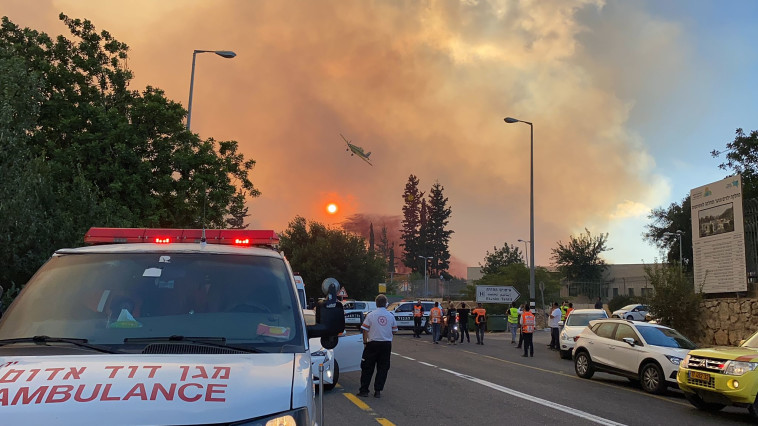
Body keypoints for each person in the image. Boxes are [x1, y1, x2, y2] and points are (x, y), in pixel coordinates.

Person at [357, 294, 398, 399]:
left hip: (372, 344)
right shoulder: (390, 316)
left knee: (367, 367)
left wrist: (365, 343)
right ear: (386, 303)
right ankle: (378, 390)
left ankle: (364, 390)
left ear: (376, 303)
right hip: (386, 344)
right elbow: (394, 331)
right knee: (383, 368)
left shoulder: (371, 315)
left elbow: (365, 330)